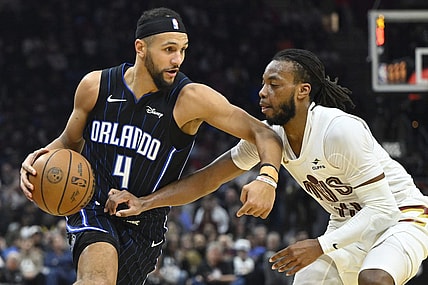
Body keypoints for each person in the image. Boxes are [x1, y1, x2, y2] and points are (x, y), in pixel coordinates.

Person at [105, 48, 428, 285]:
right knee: (307, 280)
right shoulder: (270, 137)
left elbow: (383, 210)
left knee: (373, 279)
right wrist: (144, 202)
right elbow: (208, 179)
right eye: (263, 84)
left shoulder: (339, 130)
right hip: (348, 227)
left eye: (274, 84)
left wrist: (319, 244)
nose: (262, 92)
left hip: (404, 218)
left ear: (303, 91)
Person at [19, 7, 283, 284]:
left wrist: (268, 178)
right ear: (140, 47)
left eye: (182, 50)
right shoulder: (95, 86)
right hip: (91, 205)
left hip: (144, 224)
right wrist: (38, 158)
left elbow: (263, 134)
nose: (177, 59)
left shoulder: (190, 99)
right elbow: (68, 142)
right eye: (169, 49)